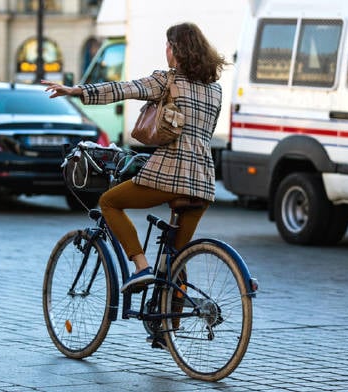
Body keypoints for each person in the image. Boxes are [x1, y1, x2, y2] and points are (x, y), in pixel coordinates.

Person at [44, 22, 226, 293]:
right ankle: (168, 332)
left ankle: (141, 267)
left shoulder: (167, 80)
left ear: (176, 50)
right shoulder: (215, 90)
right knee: (176, 258)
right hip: (203, 182)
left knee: (109, 202)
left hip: (169, 173)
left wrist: (78, 91)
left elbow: (124, 89)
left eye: (168, 45)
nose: (166, 50)